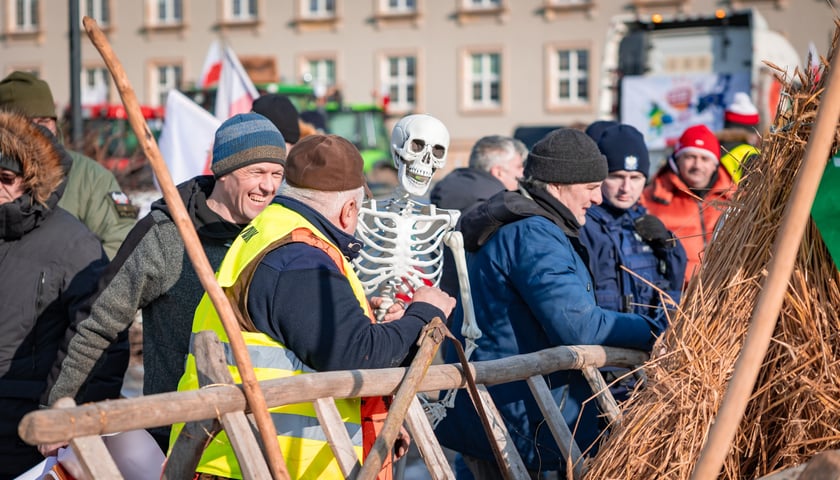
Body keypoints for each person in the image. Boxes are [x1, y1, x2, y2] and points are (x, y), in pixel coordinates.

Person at [173, 134, 456, 479]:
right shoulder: (300, 258)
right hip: (258, 463)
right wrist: (425, 312)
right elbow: (358, 354)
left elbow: (291, 328)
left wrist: (362, 314)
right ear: (348, 209)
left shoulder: (271, 232)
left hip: (237, 456)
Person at [433, 128, 669, 479]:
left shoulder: (528, 226)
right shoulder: (533, 234)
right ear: (560, 184)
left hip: (506, 417)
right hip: (521, 425)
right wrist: (657, 331)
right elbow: (577, 324)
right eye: (591, 187)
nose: (598, 198)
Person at [47, 113, 287, 451]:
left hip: (263, 435)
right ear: (224, 171)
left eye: (277, 174)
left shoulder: (276, 236)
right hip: (177, 439)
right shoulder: (167, 236)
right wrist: (58, 408)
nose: (269, 186)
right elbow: (97, 324)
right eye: (257, 172)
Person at [0, 110, 109, 478]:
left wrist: (67, 410)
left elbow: (100, 335)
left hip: (27, 424)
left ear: (30, 180)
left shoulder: (73, 243)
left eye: (5, 178)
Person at [0, 70, 138, 260]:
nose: (35, 131)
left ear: (55, 123)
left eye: (43, 121)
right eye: (24, 124)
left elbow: (121, 241)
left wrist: (76, 281)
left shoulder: (90, 177)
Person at [581, 124, 686, 316]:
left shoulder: (645, 224)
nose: (626, 188)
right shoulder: (584, 225)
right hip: (606, 341)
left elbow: (672, 292)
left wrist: (669, 247)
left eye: (636, 177)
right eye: (617, 177)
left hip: (650, 338)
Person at [430, 134, 527, 298]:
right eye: (518, 167)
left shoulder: (446, 192)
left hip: (447, 305)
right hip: (485, 310)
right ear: (498, 172)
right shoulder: (497, 211)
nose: (523, 174)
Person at [641, 123, 736, 283]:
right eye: (690, 157)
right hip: (675, 296)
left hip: (723, 294)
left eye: (705, 158)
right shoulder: (650, 198)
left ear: (715, 164)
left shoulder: (735, 199)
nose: (697, 165)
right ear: (677, 160)